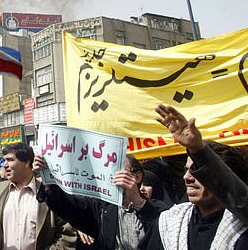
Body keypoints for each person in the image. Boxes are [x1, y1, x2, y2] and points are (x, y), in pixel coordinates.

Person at [140, 103, 248, 249]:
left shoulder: (242, 225)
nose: (187, 178)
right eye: (186, 170)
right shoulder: (169, 223)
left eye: (197, 170)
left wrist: (198, 149)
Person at [35, 153, 169, 250]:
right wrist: (49, 178)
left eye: (119, 171)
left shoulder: (161, 212)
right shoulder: (103, 209)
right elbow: (68, 207)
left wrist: (137, 201)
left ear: (137, 176)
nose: (113, 176)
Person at [0, 142, 76, 249]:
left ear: (27, 162)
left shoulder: (49, 194)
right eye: (4, 160)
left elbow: (66, 234)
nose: (5, 165)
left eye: (10, 160)